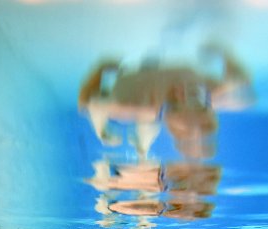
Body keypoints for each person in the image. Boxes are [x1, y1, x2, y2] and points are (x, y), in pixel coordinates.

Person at [78, 44, 253, 159]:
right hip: (141, 81)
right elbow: (241, 83)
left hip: (136, 81)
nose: (185, 92)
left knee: (139, 124)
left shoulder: (135, 103)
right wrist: (223, 53)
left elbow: (86, 103)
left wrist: (100, 69)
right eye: (202, 107)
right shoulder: (207, 88)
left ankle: (141, 146)